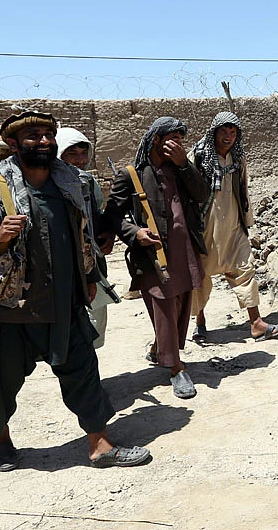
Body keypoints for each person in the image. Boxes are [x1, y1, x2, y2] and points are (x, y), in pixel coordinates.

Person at [0, 110, 149, 472]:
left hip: (65, 301)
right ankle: (0, 442)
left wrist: (90, 276)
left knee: (84, 372)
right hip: (12, 306)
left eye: (48, 135)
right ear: (13, 143)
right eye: (34, 136)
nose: (44, 141)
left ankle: (100, 445)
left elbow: (83, 236)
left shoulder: (72, 184)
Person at [102, 117, 207, 399]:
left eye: (181, 141)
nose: (178, 145)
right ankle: (175, 367)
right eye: (173, 139)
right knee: (163, 305)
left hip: (184, 250)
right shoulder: (132, 174)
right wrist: (134, 233)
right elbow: (112, 215)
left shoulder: (181, 169)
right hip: (153, 253)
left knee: (181, 302)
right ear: (156, 140)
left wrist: (185, 164)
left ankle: (161, 347)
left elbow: (201, 194)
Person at [189, 112, 278, 343]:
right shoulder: (198, 156)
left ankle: (256, 323)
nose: (228, 136)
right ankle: (199, 322)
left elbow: (243, 188)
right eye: (224, 131)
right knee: (200, 276)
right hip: (206, 226)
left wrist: (247, 221)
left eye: (233, 132)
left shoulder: (238, 157)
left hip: (233, 224)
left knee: (245, 268)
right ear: (214, 132)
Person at [57, 127, 119, 349]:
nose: (80, 160)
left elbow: (97, 214)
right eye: (72, 154)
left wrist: (108, 234)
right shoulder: (48, 185)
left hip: (92, 263)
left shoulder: (88, 182)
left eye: (84, 153)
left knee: (95, 320)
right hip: (62, 265)